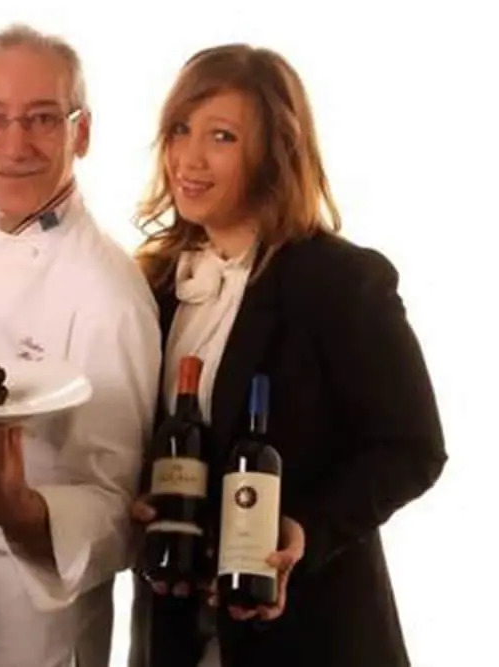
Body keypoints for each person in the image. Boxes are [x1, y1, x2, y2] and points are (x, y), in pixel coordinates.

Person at [127, 44, 447, 667]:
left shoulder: (341, 281)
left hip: (311, 636)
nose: (189, 158)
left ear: (275, 153)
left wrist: (308, 528)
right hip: (175, 634)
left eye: (222, 136)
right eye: (181, 129)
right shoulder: (153, 285)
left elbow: (412, 448)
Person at [0, 24, 161, 667]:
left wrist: (21, 511)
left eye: (43, 119)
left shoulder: (108, 291)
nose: (14, 145)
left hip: (37, 624)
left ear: (82, 132)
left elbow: (120, 510)